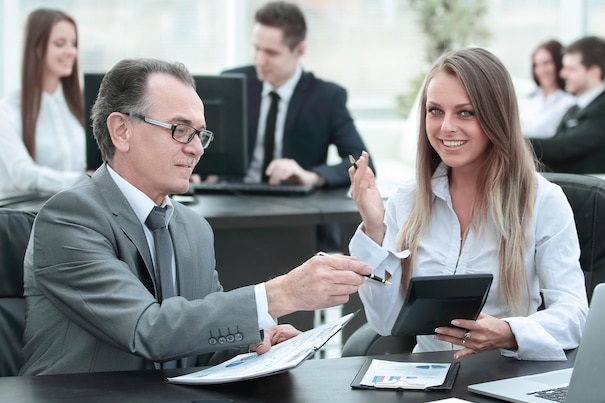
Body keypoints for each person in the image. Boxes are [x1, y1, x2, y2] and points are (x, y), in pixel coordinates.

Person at [19, 58, 373, 375]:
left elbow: (194, 343)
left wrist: (254, 343)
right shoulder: (69, 218)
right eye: (179, 129)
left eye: (200, 134)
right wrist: (280, 293)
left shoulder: (193, 228)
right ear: (121, 131)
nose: (196, 148)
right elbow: (147, 329)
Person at [348, 47, 588, 361]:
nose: (446, 126)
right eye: (435, 111)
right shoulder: (407, 200)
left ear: (495, 117)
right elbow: (384, 321)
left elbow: (574, 316)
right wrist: (376, 228)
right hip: (426, 381)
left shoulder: (543, 201)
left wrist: (509, 332)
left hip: (503, 378)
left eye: (465, 112)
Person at [223, 1, 374, 252]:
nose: (260, 60)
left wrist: (310, 176)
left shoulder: (327, 97)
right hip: (231, 206)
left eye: (271, 53)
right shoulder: (233, 82)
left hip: (292, 214)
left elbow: (361, 161)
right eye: (256, 49)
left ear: (300, 50)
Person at [0, 8, 86, 193]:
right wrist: (85, 180)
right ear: (37, 48)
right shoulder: (8, 110)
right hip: (28, 217)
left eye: (73, 43)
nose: (71, 51)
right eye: (60, 43)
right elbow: (22, 174)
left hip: (78, 213)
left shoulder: (79, 104)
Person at [528, 36, 605, 174]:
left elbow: (562, 148)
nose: (562, 74)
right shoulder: (576, 108)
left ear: (594, 73)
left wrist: (516, 141)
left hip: (581, 189)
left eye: (571, 69)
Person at [518, 39, 575, 138]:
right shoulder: (527, 99)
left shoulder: (570, 102)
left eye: (546, 63)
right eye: (537, 65)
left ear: (559, 63)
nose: (541, 70)